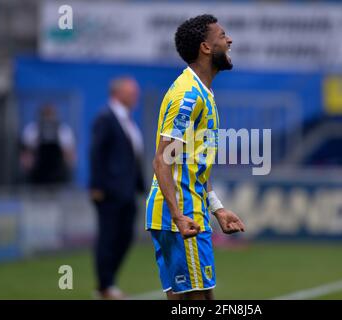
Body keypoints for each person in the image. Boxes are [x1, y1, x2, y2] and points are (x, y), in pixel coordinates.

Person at [146, 14, 245, 300]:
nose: (229, 40)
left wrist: (218, 209)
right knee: (198, 301)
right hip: (180, 214)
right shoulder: (188, 96)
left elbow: (194, 166)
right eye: (223, 36)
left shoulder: (204, 93)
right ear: (205, 47)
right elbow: (162, 160)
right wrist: (178, 215)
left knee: (193, 299)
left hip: (190, 211)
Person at [89, 77, 147, 299]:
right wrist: (96, 185)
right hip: (110, 191)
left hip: (127, 191)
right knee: (108, 237)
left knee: (125, 236)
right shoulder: (106, 118)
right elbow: (96, 153)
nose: (136, 96)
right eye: (132, 92)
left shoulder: (127, 121)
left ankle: (108, 281)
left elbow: (133, 156)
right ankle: (106, 285)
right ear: (117, 93)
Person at [20, 104, 75, 185]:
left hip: (58, 172)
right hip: (37, 172)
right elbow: (26, 155)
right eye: (45, 115)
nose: (48, 118)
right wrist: (27, 169)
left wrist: (68, 170)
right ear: (40, 115)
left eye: (50, 115)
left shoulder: (64, 131)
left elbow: (70, 155)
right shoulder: (31, 130)